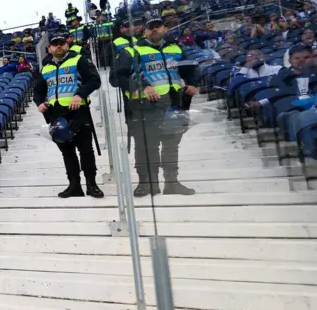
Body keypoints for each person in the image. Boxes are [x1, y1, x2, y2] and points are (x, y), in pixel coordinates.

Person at [111, 18, 199, 196]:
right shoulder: (132, 51)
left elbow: (190, 69)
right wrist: (142, 86)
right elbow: (116, 78)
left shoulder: (176, 48)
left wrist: (191, 83)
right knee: (146, 146)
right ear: (144, 31)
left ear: (165, 28)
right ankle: (147, 184)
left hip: (174, 102)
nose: (154, 31)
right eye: (150, 28)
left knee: (171, 145)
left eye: (157, 27)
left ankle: (171, 183)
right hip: (145, 105)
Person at [35, 32, 104, 198]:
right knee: (67, 152)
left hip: (78, 112)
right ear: (49, 48)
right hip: (56, 115)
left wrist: (80, 94)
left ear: (67, 45)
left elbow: (95, 80)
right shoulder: (45, 68)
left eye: (61, 43)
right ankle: (74, 185)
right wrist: (40, 104)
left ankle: (91, 184)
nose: (58, 46)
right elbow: (38, 92)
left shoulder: (79, 60)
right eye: (55, 44)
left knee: (86, 150)